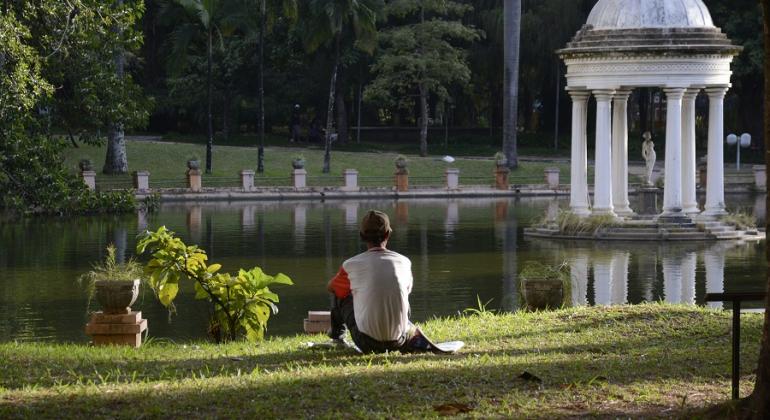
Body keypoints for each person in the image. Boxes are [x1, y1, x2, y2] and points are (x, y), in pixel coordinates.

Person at [327, 210, 420, 353]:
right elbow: (407, 291)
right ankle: (401, 328)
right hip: (399, 341)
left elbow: (331, 287)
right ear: (388, 234)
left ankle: (337, 338)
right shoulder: (404, 262)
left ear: (361, 236)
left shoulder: (351, 265)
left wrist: (356, 291)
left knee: (339, 294)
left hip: (367, 343)